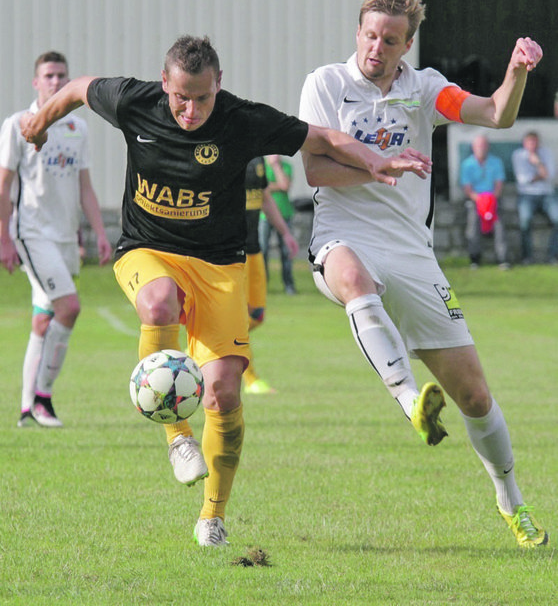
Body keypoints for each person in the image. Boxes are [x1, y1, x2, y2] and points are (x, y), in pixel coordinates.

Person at [20, 35, 432, 547]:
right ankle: (177, 438)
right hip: (148, 250)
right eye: (180, 98)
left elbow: (321, 138)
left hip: (219, 266)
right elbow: (79, 89)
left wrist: (374, 161)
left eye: (203, 98)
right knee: (158, 302)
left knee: (223, 392)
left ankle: (212, 514)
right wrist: (38, 124)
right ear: (164, 83)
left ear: (220, 84)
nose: (191, 110)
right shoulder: (133, 100)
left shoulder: (242, 120)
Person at [299, 0, 548, 548]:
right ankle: (412, 402)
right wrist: (378, 167)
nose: (376, 48)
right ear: (357, 33)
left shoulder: (425, 88)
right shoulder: (327, 84)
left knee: (477, 398)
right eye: (368, 35)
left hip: (413, 252)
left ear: (406, 43)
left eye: (389, 39)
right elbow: (314, 170)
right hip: (343, 234)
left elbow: (494, 115)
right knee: (354, 279)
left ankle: (513, 504)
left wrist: (516, 72)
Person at [0, 51, 112, 428]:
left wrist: (99, 232)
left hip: (64, 238)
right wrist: (3, 237)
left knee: (43, 319)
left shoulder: (77, 129)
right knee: (69, 307)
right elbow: (4, 186)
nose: (55, 81)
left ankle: (26, 408)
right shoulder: (17, 124)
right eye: (48, 75)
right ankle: (43, 400)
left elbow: (85, 188)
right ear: (36, 82)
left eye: (62, 75)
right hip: (31, 233)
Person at [243, 156, 299, 394]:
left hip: (254, 252)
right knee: (236, 321)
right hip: (229, 255)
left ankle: (208, 345)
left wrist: (285, 233)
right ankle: (251, 379)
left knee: (256, 316)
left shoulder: (256, 160)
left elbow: (265, 197)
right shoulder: (225, 149)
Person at [459, 135, 509, 269]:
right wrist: (481, 201)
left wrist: (491, 200)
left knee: (500, 226)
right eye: (479, 146)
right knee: (472, 225)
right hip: (475, 200)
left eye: (483, 146)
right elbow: (467, 188)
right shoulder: (467, 164)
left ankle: (502, 259)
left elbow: (499, 184)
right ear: (474, 148)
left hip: (493, 199)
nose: (481, 148)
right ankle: (474, 259)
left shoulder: (496, 162)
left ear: (488, 147)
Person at [511, 131, 558, 264]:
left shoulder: (546, 153)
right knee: (525, 221)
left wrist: (538, 163)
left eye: (534, 142)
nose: (532, 145)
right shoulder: (518, 155)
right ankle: (527, 257)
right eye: (529, 142)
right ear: (524, 143)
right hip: (527, 195)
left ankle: (553, 256)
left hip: (547, 194)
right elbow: (523, 180)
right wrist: (541, 174)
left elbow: (551, 176)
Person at [259, 154, 298, 294]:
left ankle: (289, 285)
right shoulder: (260, 164)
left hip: (284, 213)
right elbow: (262, 189)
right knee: (262, 250)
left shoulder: (285, 166)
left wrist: (276, 166)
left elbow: (285, 185)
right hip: (264, 215)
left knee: (286, 252)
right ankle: (262, 284)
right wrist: (276, 186)